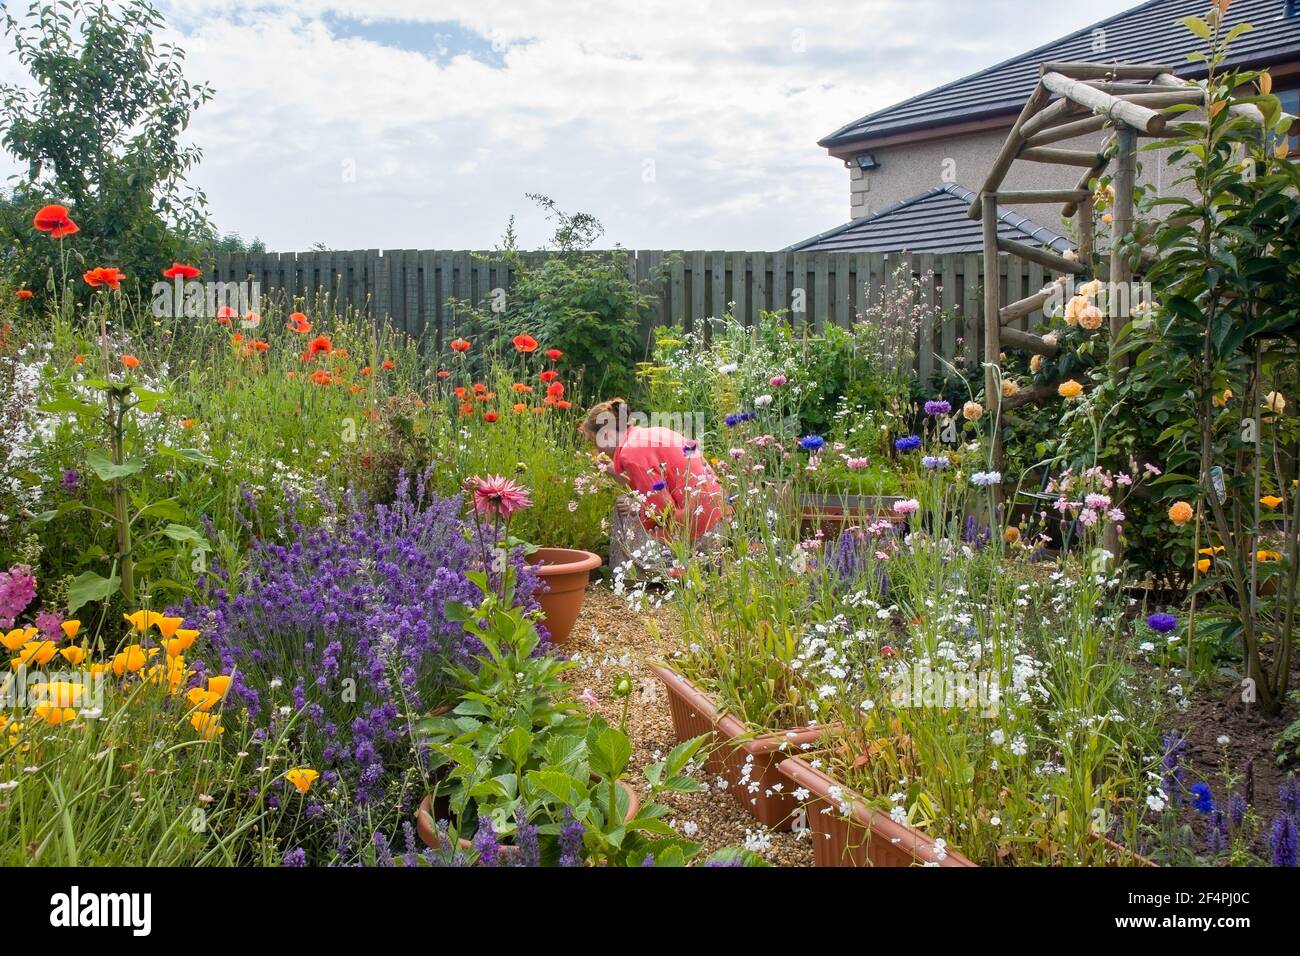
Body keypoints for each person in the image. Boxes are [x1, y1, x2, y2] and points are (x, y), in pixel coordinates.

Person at [579, 399, 726, 551]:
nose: (596, 450)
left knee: (628, 530)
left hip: (701, 525)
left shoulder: (630, 454)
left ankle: (632, 573)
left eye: (593, 441)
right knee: (626, 504)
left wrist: (638, 507)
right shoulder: (642, 436)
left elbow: (664, 509)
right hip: (717, 510)